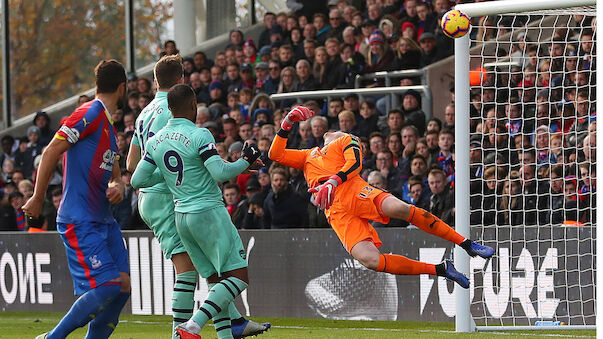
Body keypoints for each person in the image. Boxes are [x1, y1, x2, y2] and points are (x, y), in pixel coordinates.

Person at [269, 106, 494, 289]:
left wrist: (332, 181)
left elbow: (355, 165)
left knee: (401, 209)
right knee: (370, 261)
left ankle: (466, 243)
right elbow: (275, 154)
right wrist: (287, 122)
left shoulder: (346, 141)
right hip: (336, 210)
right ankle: (442, 269)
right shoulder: (308, 155)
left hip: (354, 191)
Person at [126, 56, 268, 339]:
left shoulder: (143, 114)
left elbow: (132, 166)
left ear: (155, 81)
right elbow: (212, 169)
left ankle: (231, 323)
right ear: (182, 79)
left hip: (157, 199)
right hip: (183, 200)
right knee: (190, 271)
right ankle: (182, 332)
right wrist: (241, 163)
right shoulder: (181, 118)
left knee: (210, 272)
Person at [24, 59, 130, 339]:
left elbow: (115, 175)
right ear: (123, 87)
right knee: (108, 286)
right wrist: (37, 197)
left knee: (122, 288)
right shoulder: (90, 112)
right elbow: (50, 151)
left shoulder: (108, 126)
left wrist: (117, 186)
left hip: (104, 221)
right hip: (80, 218)